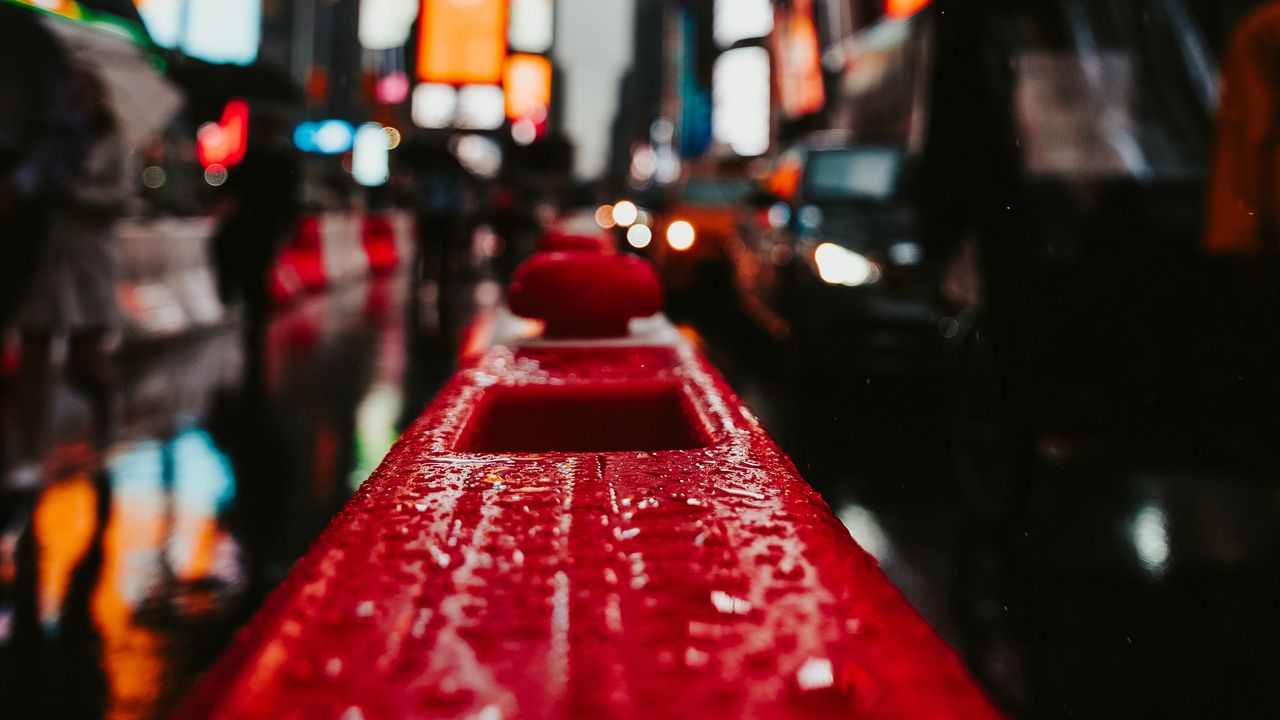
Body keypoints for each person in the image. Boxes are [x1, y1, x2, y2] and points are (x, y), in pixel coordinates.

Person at [10, 67, 131, 483]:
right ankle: (30, 453)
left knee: (85, 362)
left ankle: (106, 421)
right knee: (33, 359)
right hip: (43, 259)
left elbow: (118, 197)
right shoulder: (41, 136)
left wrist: (70, 191)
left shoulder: (113, 139)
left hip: (87, 263)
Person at [210, 107, 300, 376]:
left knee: (245, 272)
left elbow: (232, 193)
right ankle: (254, 329)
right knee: (256, 276)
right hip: (264, 229)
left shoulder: (253, 159)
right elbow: (289, 201)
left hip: (248, 227)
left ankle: (246, 321)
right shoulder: (282, 162)